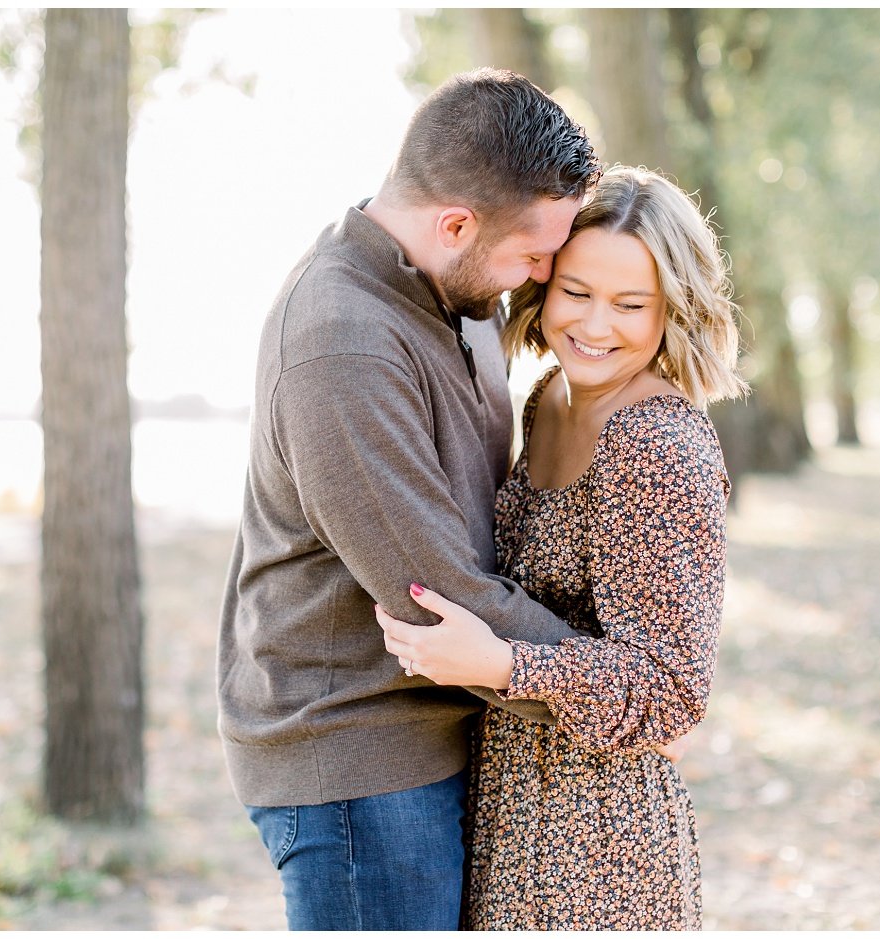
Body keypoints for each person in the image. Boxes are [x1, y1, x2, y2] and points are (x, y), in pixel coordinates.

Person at [215, 68, 603, 930]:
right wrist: (614, 690)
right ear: (456, 222)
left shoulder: (457, 287)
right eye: (534, 253)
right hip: (358, 763)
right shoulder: (340, 342)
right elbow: (439, 595)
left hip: (439, 732)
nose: (543, 276)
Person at [376, 165, 747, 929]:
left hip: (601, 844)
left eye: (630, 304)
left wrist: (504, 664)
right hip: (510, 807)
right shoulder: (550, 399)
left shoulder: (657, 445)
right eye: (576, 293)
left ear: (671, 310)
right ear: (543, 287)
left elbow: (673, 687)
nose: (596, 325)